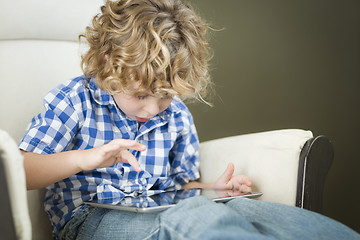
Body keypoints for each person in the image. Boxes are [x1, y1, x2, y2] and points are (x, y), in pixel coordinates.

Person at [18, 0, 359, 239]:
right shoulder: (76, 100)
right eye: (141, 95)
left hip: (159, 208)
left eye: (164, 95)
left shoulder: (176, 114)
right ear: (108, 65)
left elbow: (180, 187)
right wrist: (85, 158)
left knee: (262, 216)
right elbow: (17, 172)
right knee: (193, 218)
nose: (153, 109)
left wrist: (213, 189)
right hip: (91, 221)